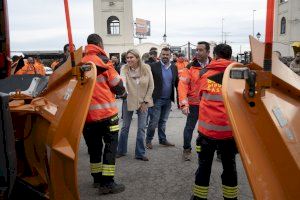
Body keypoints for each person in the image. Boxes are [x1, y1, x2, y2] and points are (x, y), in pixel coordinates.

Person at [191, 44, 238, 200]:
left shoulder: (205, 73)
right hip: (229, 132)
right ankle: (231, 198)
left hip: (207, 132)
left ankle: (199, 198)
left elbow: (199, 96)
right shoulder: (238, 73)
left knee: (204, 167)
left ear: (215, 56)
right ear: (230, 56)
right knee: (229, 168)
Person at [81, 33, 126, 195]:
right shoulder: (104, 62)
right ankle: (107, 183)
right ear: (100, 44)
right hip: (107, 115)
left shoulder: (79, 63)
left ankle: (97, 179)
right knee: (110, 147)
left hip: (86, 117)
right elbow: (117, 86)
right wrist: (124, 92)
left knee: (94, 148)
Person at [117, 49, 154, 161]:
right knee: (125, 127)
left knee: (141, 128)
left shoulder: (146, 68)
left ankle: (140, 153)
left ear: (137, 58)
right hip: (128, 100)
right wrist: (122, 91)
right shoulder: (124, 68)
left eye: (131, 57)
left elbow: (151, 86)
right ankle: (121, 150)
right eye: (127, 58)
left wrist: (145, 101)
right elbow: (122, 80)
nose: (128, 59)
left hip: (143, 101)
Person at [178, 41, 211, 161]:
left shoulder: (214, 66)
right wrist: (183, 104)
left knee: (210, 128)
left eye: (200, 50)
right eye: (196, 50)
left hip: (209, 104)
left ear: (208, 52)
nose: (197, 52)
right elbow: (182, 86)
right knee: (189, 127)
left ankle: (214, 151)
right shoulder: (190, 67)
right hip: (194, 104)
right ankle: (186, 150)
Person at [145, 47, 179, 149]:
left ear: (170, 56)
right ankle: (148, 140)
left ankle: (162, 140)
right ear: (160, 55)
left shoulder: (174, 67)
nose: (165, 56)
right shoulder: (153, 66)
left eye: (167, 55)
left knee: (163, 121)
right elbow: (147, 81)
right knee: (154, 121)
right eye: (163, 54)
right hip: (156, 99)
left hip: (168, 99)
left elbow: (177, 82)